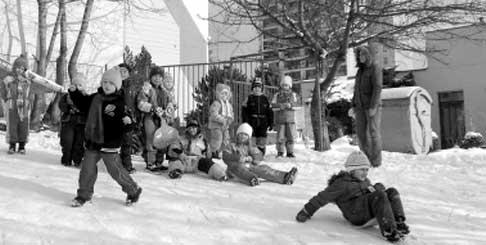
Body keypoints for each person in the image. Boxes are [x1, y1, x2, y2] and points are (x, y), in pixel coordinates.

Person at [295, 150, 410, 242]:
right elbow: (322, 197)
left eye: (366, 169)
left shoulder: (365, 181)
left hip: (365, 208)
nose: (365, 173)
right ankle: (389, 230)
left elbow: (371, 193)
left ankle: (398, 222)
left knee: (392, 191)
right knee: (379, 195)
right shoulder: (341, 184)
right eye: (361, 169)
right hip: (355, 214)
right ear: (352, 170)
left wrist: (377, 188)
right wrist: (306, 211)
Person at [71, 67, 141, 207]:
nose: (107, 85)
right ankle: (83, 195)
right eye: (105, 82)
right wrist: (74, 93)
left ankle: (133, 190)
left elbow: (126, 123)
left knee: (115, 171)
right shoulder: (95, 98)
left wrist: (128, 124)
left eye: (110, 83)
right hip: (93, 142)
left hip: (110, 144)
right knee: (87, 170)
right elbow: (82, 103)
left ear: (117, 85)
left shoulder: (119, 103)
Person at [222, 123, 298, 186]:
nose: (242, 136)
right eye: (241, 134)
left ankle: (284, 177)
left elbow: (259, 155)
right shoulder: (231, 145)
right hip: (234, 169)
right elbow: (225, 156)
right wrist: (237, 158)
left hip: (249, 166)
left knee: (263, 169)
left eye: (245, 135)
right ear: (237, 135)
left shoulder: (250, 146)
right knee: (241, 168)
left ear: (248, 137)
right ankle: (252, 179)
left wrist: (252, 158)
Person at [137, 66, 177, 171]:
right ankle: (151, 163)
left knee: (162, 139)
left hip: (162, 118)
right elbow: (141, 103)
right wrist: (152, 108)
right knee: (151, 139)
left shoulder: (165, 91)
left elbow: (172, 103)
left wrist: (171, 107)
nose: (157, 79)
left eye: (160, 77)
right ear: (151, 77)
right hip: (150, 117)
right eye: (155, 76)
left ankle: (159, 162)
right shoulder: (147, 89)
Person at [352, 46, 383, 167]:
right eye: (359, 55)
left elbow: (377, 87)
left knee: (373, 133)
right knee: (361, 134)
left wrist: (373, 106)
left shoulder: (375, 67)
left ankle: (375, 161)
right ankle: (366, 160)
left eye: (363, 55)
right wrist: (353, 105)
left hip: (371, 106)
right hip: (360, 107)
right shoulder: (360, 71)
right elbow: (356, 90)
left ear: (368, 55)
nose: (361, 57)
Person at [59, 73, 90, 167]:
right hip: (68, 121)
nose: (77, 87)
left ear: (83, 87)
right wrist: (68, 109)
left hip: (81, 122)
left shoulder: (86, 97)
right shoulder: (66, 96)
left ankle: (77, 160)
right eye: (75, 85)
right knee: (67, 141)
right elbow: (61, 105)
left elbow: (88, 108)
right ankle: (66, 159)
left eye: (80, 85)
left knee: (79, 143)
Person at [241, 78, 273, 156]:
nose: (257, 89)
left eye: (259, 87)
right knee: (252, 136)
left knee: (262, 137)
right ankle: (251, 152)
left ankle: (261, 152)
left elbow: (270, 112)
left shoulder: (265, 99)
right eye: (255, 87)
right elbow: (244, 111)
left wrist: (271, 122)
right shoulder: (249, 98)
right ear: (252, 88)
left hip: (263, 121)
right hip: (252, 121)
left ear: (261, 88)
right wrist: (245, 121)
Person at [118, 63, 140, 173]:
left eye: (125, 71)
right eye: (120, 71)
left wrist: (136, 116)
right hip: (117, 117)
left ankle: (127, 165)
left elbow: (136, 102)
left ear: (129, 73)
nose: (122, 73)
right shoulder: (115, 85)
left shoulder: (133, 87)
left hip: (129, 118)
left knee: (127, 141)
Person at [271, 75, 298, 158]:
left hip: (290, 120)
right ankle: (280, 151)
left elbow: (297, 104)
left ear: (289, 86)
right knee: (280, 137)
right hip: (280, 120)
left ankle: (290, 151)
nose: (284, 87)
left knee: (290, 136)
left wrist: (291, 105)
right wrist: (280, 106)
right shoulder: (277, 95)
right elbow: (272, 105)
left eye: (286, 85)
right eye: (283, 85)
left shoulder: (293, 95)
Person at [208, 83, 233, 159]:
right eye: (222, 94)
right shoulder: (216, 103)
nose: (224, 96)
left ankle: (222, 151)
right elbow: (213, 113)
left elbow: (231, 114)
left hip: (225, 126)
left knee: (226, 138)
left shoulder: (229, 105)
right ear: (218, 94)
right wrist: (221, 119)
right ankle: (214, 151)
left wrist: (230, 119)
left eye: (226, 94)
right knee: (217, 138)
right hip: (216, 126)